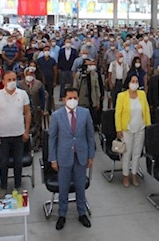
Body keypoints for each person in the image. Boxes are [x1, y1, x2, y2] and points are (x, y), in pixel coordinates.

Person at [48, 87, 95, 230]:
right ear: (64, 99)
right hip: (64, 156)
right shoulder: (56, 116)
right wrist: (53, 159)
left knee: (80, 186)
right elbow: (53, 139)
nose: (72, 100)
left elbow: (90, 136)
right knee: (63, 187)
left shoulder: (85, 113)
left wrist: (90, 155)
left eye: (75, 98)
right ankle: (62, 214)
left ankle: (82, 213)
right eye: (70, 98)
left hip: (81, 155)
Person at [0, 71, 31, 199]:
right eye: (9, 79)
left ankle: (18, 185)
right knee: (3, 162)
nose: (12, 81)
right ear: (3, 81)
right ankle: (3, 187)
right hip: (3, 136)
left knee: (18, 162)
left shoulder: (22, 94)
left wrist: (26, 131)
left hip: (19, 134)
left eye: (14, 79)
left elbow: (28, 113)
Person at [115, 74, 151, 187]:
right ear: (128, 82)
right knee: (127, 153)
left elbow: (146, 110)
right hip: (127, 129)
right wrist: (119, 129)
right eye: (132, 81)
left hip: (140, 128)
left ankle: (134, 174)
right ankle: (125, 175)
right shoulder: (122, 96)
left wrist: (148, 125)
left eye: (136, 81)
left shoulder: (142, 94)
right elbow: (118, 114)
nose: (134, 83)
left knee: (136, 153)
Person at [37, 45, 57, 113]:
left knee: (50, 94)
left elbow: (55, 71)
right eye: (45, 50)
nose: (46, 51)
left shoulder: (52, 60)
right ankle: (42, 108)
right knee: (41, 94)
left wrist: (54, 81)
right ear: (43, 51)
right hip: (41, 80)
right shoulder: (39, 60)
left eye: (48, 50)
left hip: (50, 79)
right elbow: (38, 69)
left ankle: (49, 108)